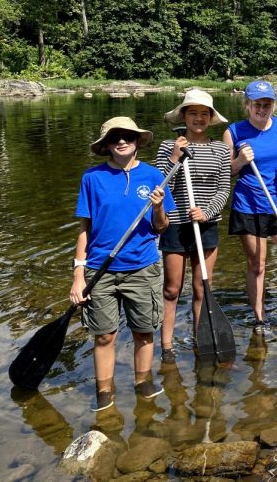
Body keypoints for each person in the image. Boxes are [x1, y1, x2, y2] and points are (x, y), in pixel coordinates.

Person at [70, 117, 176, 412]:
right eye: (114, 137)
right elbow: (84, 229)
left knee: (144, 331)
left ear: (137, 140)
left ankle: (143, 382)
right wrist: (78, 275)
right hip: (99, 270)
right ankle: (104, 390)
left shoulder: (154, 176)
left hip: (143, 268)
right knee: (104, 334)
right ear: (106, 145)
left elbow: (161, 228)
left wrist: (157, 207)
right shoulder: (92, 178)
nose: (121, 140)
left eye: (127, 135)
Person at [156, 89, 231, 362]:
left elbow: (224, 189)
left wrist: (207, 212)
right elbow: (159, 186)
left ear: (210, 118)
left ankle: (202, 339)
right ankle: (166, 346)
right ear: (184, 116)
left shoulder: (221, 149)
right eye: (193, 113)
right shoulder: (168, 146)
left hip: (207, 225)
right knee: (172, 289)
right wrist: (175, 158)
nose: (198, 118)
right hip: (175, 223)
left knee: (201, 288)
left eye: (204, 113)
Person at [223, 80, 277, 332]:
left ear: (273, 105)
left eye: (267, 104)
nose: (262, 108)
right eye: (257, 104)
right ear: (247, 105)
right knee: (258, 264)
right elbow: (226, 173)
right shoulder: (233, 132)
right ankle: (259, 317)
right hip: (248, 205)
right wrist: (240, 161)